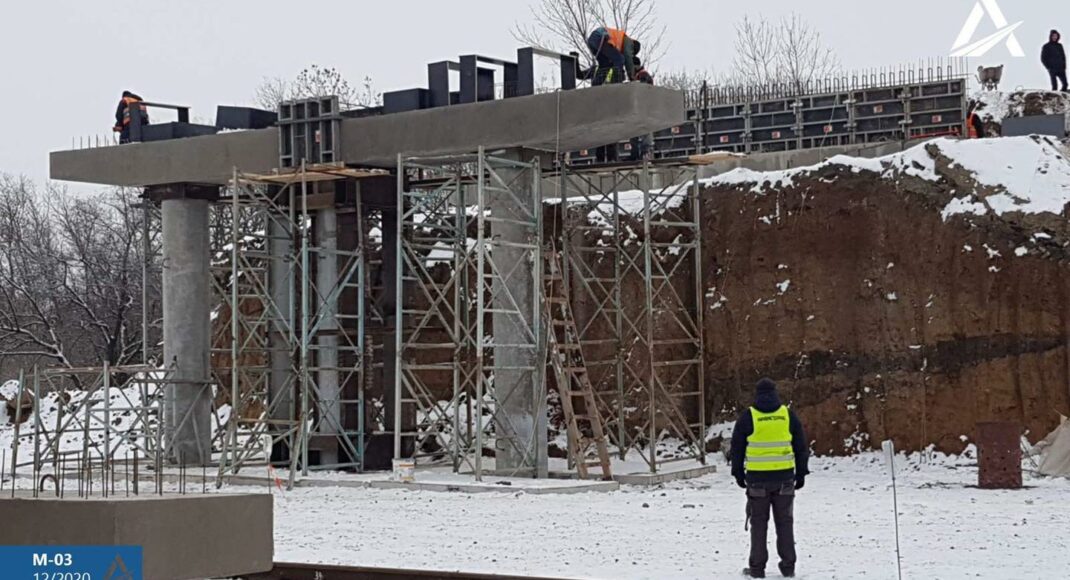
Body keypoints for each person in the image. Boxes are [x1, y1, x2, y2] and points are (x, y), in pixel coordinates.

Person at [731, 378, 810, 579]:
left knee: (758, 525)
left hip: (757, 481)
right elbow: (801, 446)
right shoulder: (787, 415)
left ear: (757, 395)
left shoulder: (749, 417)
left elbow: (737, 448)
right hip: (784, 479)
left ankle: (757, 569)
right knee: (785, 523)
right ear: (775, 393)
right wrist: (801, 473)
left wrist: (738, 473)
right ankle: (788, 566)